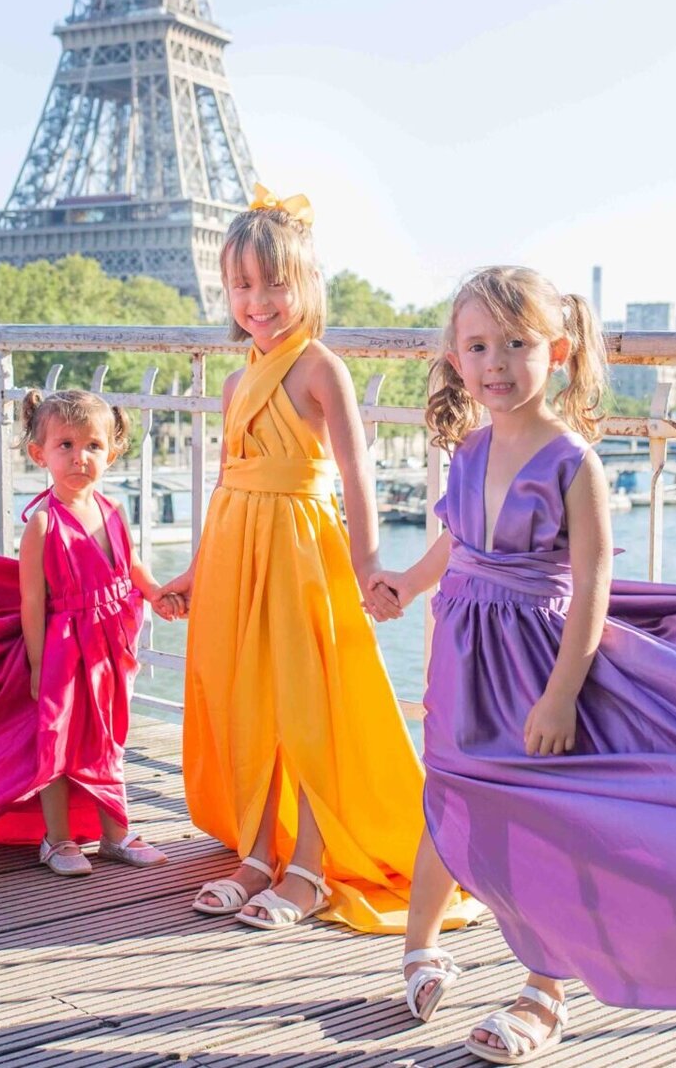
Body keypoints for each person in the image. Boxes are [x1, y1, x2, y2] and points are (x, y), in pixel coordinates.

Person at [370, 266, 676, 1058]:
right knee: (450, 786)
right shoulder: (468, 450)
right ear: (456, 357)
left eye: (516, 344)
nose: (496, 362)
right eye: (479, 345)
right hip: (462, 651)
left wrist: (562, 695)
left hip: (537, 658)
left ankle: (544, 992)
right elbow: (457, 539)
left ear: (554, 351)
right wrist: (408, 585)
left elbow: (592, 580)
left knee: (547, 811)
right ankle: (421, 944)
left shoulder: (570, 461)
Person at [159, 185, 478, 936]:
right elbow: (225, 481)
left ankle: (308, 862)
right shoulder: (237, 381)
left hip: (301, 548)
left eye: (275, 283)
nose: (258, 301)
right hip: (239, 545)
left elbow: (356, 474)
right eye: (242, 286)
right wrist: (196, 571)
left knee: (304, 703)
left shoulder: (318, 368)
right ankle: (259, 851)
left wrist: (368, 565)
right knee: (251, 700)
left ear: (307, 286)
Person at [18, 387, 178, 876]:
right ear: (38, 453)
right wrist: (38, 664)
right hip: (65, 649)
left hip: (110, 644)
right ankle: (58, 839)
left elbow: (130, 566)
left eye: (92, 445)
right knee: (59, 739)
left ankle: (115, 833)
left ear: (112, 451)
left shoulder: (112, 512)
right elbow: (31, 600)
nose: (78, 457)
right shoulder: (43, 523)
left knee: (110, 736)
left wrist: (157, 594)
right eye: (64, 445)